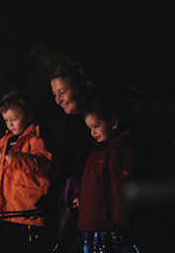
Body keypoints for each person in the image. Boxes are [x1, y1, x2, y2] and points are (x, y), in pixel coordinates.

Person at [72, 99, 140, 252]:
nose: (92, 132)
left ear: (113, 124)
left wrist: (119, 221)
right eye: (90, 128)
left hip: (108, 225)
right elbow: (87, 179)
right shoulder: (95, 151)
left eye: (96, 126)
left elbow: (122, 187)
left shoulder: (120, 151)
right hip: (91, 221)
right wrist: (78, 195)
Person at [0, 91, 53, 253]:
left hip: (27, 212)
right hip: (7, 211)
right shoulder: (8, 140)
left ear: (29, 116)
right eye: (6, 120)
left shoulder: (37, 138)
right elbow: (8, 170)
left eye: (14, 119)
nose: (10, 124)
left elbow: (43, 165)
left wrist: (17, 159)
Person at [49, 61, 98, 253]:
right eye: (55, 94)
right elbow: (70, 161)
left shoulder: (100, 114)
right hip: (78, 182)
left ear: (78, 87)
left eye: (62, 92)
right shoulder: (70, 122)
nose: (58, 100)